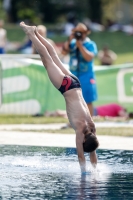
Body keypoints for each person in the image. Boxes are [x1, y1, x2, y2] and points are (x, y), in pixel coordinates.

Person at [20, 21, 99, 174]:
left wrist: (95, 169)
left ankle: (35, 33)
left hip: (76, 84)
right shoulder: (80, 131)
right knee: (46, 59)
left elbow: (92, 150)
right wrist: (85, 174)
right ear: (84, 141)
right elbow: (81, 157)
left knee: (54, 56)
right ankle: (31, 33)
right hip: (67, 88)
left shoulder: (92, 128)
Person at [62, 23, 98, 116]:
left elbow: (89, 57)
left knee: (88, 100)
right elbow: (63, 52)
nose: (79, 35)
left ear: (85, 33)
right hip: (73, 75)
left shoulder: (90, 44)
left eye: (81, 33)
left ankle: (90, 123)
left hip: (86, 74)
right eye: (77, 32)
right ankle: (73, 122)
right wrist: (69, 41)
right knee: (72, 100)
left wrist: (80, 46)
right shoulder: (72, 43)